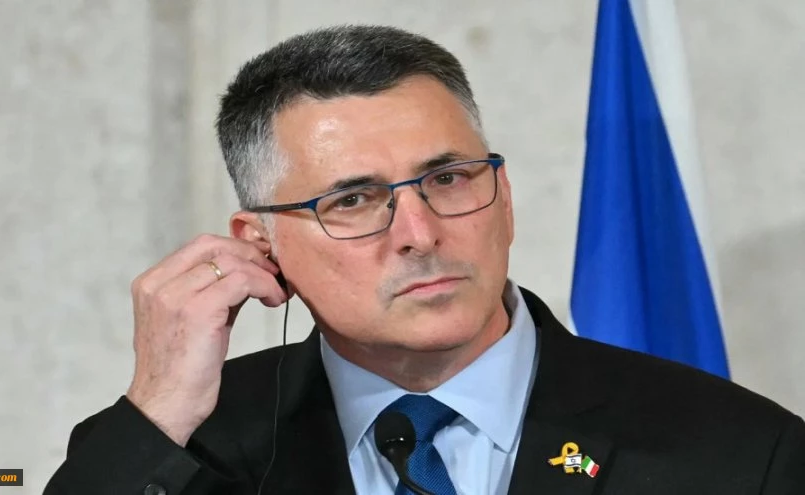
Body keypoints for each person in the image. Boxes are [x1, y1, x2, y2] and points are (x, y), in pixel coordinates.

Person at [44, 25, 804, 495]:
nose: (419, 232)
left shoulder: (739, 452)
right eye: (352, 199)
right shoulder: (185, 448)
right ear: (260, 243)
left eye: (447, 179)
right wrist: (158, 412)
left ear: (504, 197)